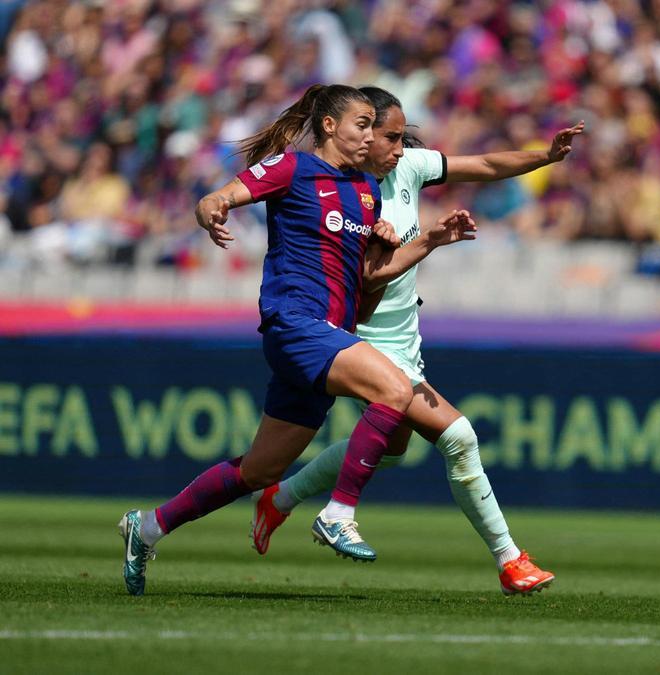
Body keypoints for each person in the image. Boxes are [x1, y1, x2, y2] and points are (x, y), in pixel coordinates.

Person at [117, 84, 473, 595]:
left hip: (328, 334)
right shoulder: (293, 167)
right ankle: (339, 513)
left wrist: (429, 242)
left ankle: (147, 526)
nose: (370, 136)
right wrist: (212, 207)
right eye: (362, 125)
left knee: (261, 470)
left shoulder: (366, 192)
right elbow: (221, 195)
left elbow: (370, 281)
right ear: (330, 126)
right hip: (294, 324)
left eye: (374, 127)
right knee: (395, 390)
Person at [249, 86, 584, 596]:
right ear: (360, 132)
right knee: (459, 436)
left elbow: (487, 163)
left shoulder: (407, 167)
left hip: (405, 337)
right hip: (360, 335)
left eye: (402, 137)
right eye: (389, 136)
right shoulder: (344, 188)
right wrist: (416, 244)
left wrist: (546, 156)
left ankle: (281, 497)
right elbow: (357, 285)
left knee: (391, 448)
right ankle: (510, 559)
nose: (399, 148)